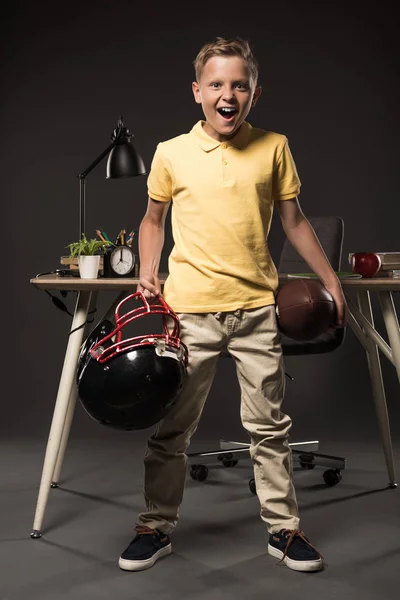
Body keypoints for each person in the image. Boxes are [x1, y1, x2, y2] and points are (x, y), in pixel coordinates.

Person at [118, 36, 347, 574]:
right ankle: (155, 526)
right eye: (216, 84)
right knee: (173, 428)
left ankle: (284, 532)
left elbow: (293, 221)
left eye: (238, 85)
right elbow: (153, 220)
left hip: (254, 312)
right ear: (197, 92)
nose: (228, 94)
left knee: (269, 427)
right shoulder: (172, 152)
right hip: (189, 311)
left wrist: (331, 281)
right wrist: (148, 268)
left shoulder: (274, 146)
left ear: (254, 93)